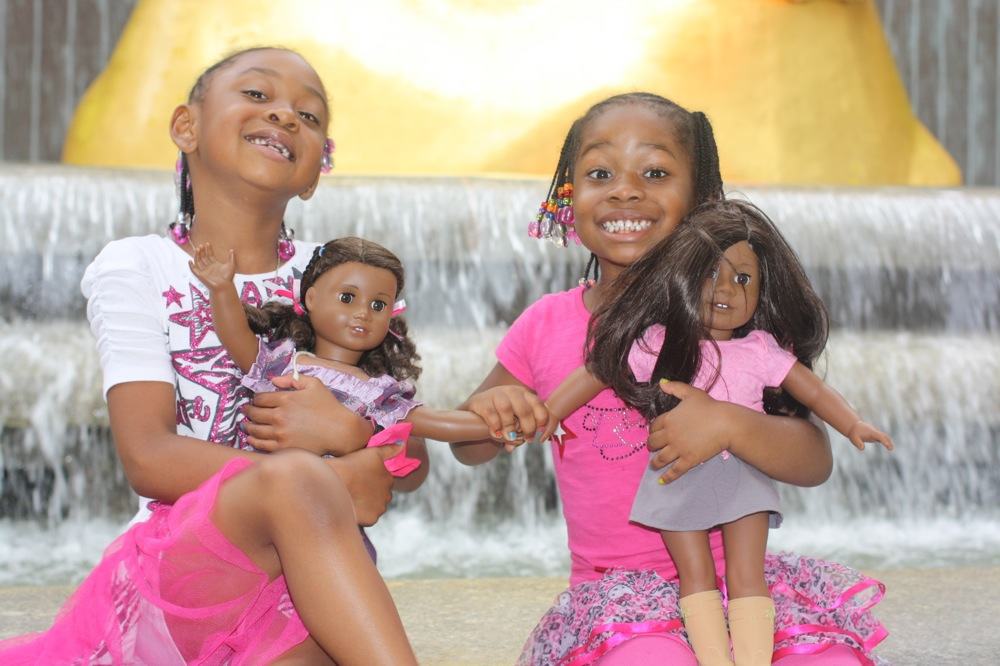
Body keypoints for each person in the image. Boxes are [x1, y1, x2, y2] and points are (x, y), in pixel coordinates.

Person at [0, 47, 418, 665]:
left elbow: (408, 450)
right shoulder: (136, 265)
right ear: (186, 126)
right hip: (184, 574)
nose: (284, 116)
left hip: (306, 583)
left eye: (309, 116)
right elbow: (148, 455)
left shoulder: (340, 277)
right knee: (296, 483)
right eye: (257, 95)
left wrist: (353, 432)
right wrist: (322, 479)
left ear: (312, 174)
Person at [450, 93, 889, 665]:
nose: (625, 190)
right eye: (599, 173)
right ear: (568, 195)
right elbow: (469, 446)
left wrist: (728, 423)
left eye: (655, 172)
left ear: (704, 202)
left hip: (743, 588)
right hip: (620, 600)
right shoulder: (547, 325)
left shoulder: (735, 322)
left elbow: (812, 460)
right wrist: (501, 406)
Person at [536, 199, 894, 665]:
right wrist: (547, 413)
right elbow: (598, 370)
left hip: (742, 474)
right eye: (710, 274)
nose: (724, 289)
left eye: (742, 279)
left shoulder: (762, 348)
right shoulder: (657, 340)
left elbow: (812, 390)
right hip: (677, 472)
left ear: (762, 290)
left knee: (747, 573)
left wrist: (852, 422)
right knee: (696, 573)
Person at [188, 235, 496, 454]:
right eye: (347, 298)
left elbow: (436, 423)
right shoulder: (283, 363)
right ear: (310, 299)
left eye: (378, 305)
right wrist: (221, 288)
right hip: (263, 489)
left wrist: (505, 424)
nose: (363, 312)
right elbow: (236, 335)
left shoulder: (377, 391)